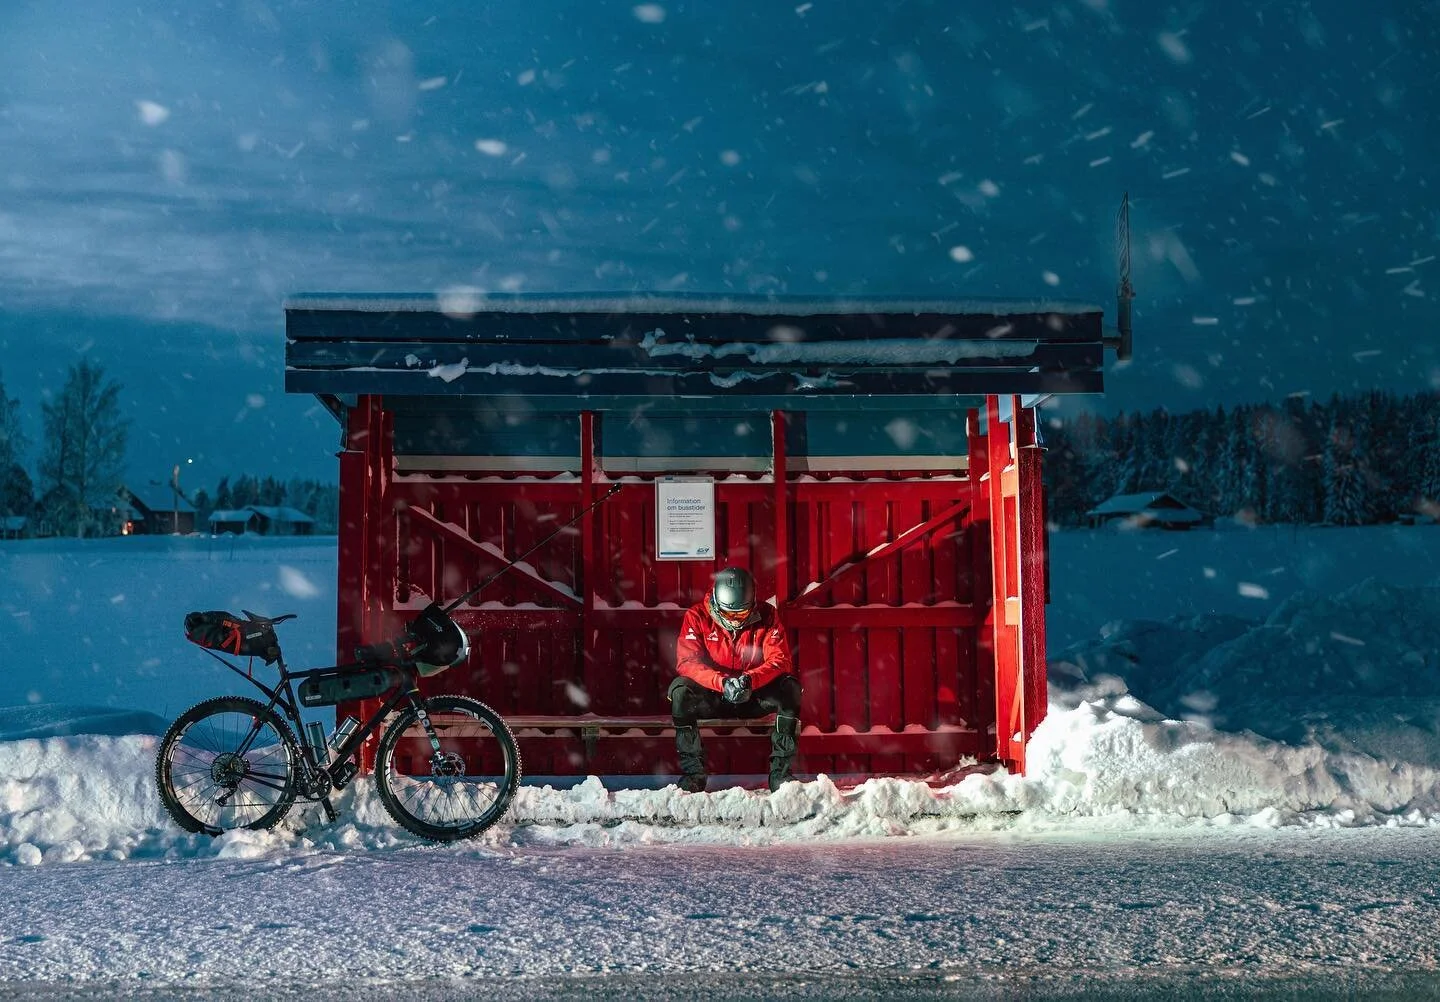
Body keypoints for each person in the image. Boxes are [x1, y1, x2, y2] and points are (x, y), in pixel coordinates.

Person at [667, 566, 802, 793]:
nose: (736, 619)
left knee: (790, 688)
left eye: (741, 613)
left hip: (753, 696)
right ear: (717, 604)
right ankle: (693, 774)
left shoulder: (768, 616)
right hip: (713, 697)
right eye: (729, 614)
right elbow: (687, 662)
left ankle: (781, 775)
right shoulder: (697, 616)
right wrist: (721, 682)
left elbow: (780, 659)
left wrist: (750, 680)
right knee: (680, 691)